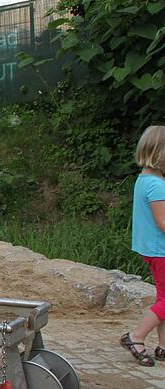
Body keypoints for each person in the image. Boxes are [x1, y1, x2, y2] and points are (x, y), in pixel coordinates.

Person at [121, 125, 165, 367]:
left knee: (164, 299)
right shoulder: (158, 186)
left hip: (152, 249)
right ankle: (135, 337)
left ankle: (163, 346)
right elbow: (163, 222)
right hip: (162, 250)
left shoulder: (145, 180)